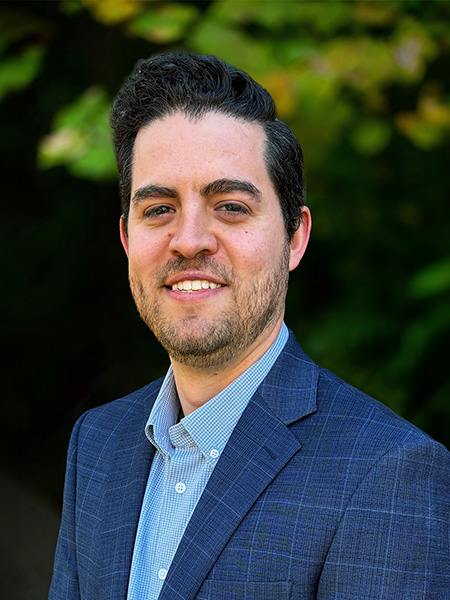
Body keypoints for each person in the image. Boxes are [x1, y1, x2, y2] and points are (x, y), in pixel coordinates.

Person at [49, 53, 450, 600]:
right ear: (126, 240)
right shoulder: (97, 443)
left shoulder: (389, 472)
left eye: (231, 206)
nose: (189, 240)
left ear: (295, 238)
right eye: (159, 209)